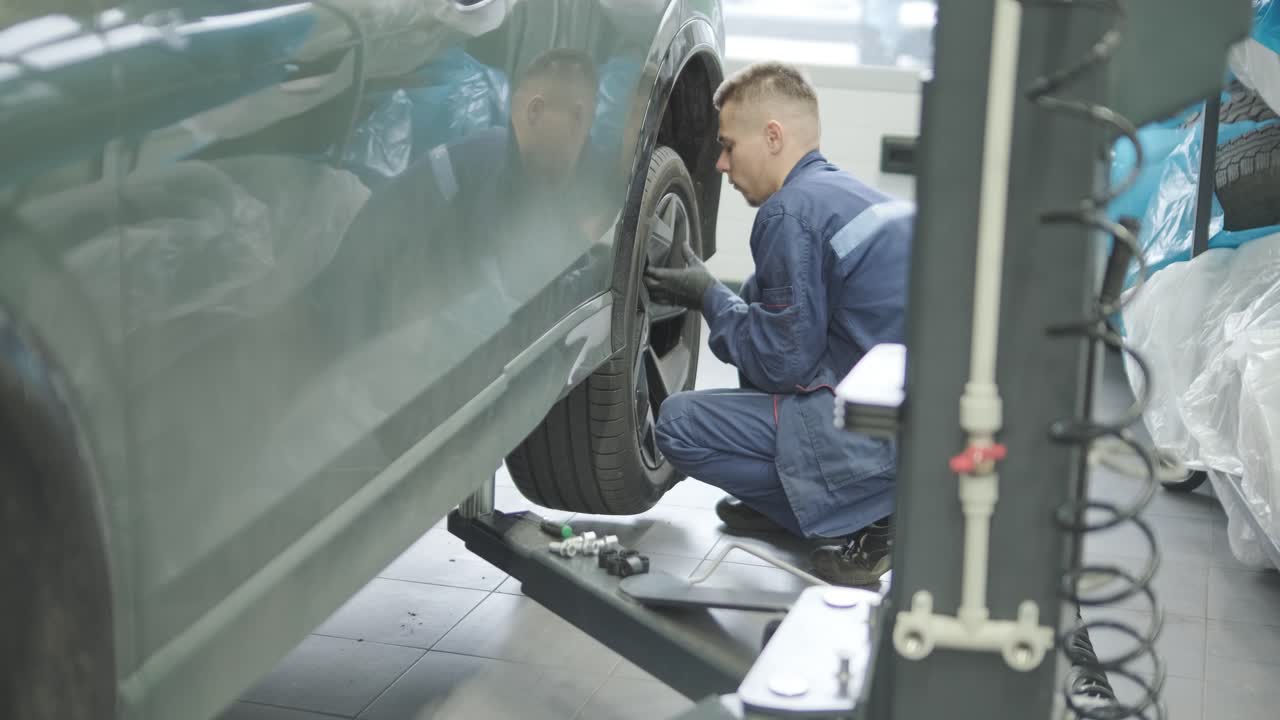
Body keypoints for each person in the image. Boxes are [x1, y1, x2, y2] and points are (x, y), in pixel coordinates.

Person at [644, 60, 912, 586]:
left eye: (727, 146)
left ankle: (867, 522)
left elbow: (780, 362)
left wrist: (708, 297)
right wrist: (730, 302)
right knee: (756, 311)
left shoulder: (790, 212)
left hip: (876, 437)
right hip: (914, 419)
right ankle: (827, 504)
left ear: (772, 136)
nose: (721, 164)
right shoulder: (846, 194)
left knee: (677, 424)